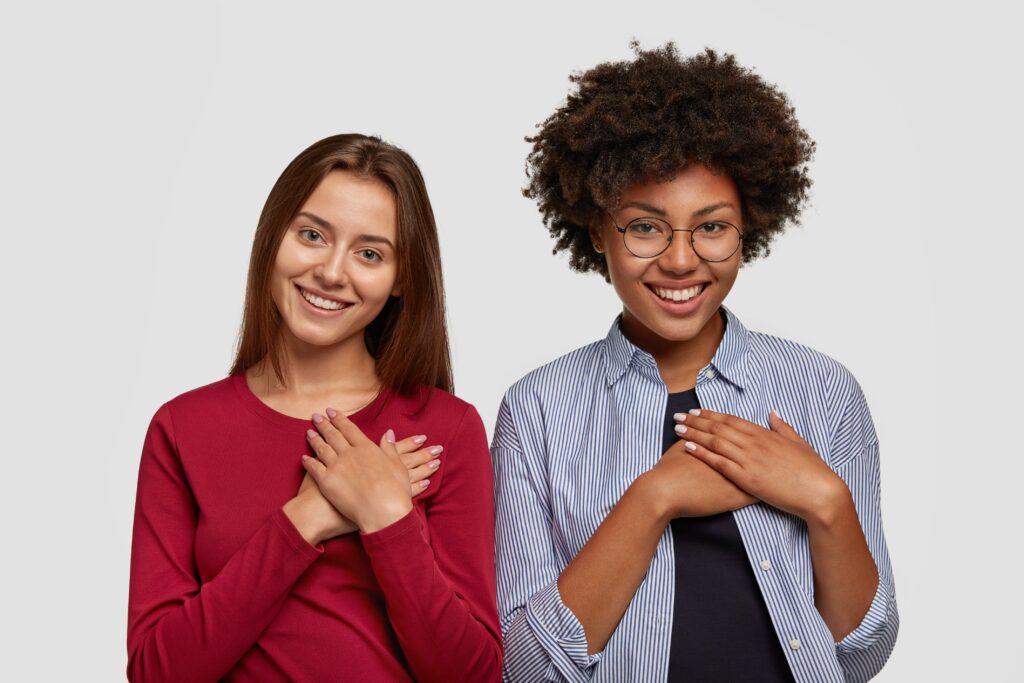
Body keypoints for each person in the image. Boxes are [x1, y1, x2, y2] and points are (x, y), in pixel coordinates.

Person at [493, 45, 897, 682]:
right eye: (646, 228)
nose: (681, 261)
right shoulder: (537, 409)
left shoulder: (821, 391)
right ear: (598, 231)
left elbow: (859, 655)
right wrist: (655, 497)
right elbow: (520, 668)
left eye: (711, 228)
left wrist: (826, 502)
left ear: (749, 228)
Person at [127, 134, 501, 682]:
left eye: (370, 253)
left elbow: (473, 675)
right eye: (312, 235)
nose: (331, 271)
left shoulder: (445, 428)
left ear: (401, 280)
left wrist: (385, 514)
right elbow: (157, 673)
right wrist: (307, 519)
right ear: (273, 237)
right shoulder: (183, 427)